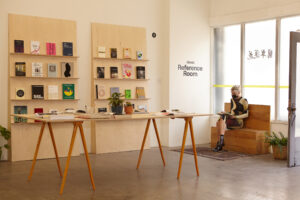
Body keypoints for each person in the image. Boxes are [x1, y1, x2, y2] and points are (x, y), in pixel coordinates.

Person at [213, 85, 249, 152]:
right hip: (231, 119)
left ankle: (220, 143)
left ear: (239, 92)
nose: (233, 96)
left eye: (234, 94)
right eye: (232, 94)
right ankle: (220, 143)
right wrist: (226, 112)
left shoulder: (244, 101)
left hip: (238, 122)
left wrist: (235, 116)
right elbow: (232, 111)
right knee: (219, 121)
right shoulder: (232, 100)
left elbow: (246, 114)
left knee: (220, 122)